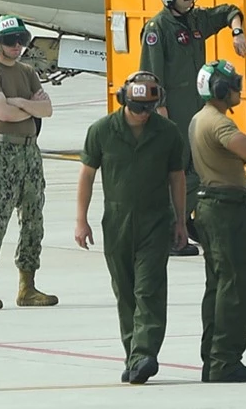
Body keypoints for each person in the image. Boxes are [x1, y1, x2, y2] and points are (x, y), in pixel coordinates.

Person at [75, 73, 187, 385]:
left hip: (155, 220)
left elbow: (176, 177)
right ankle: (133, 355)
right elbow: (87, 175)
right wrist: (80, 219)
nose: (143, 114)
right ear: (125, 100)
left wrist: (180, 220)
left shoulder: (167, 133)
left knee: (148, 290)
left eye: (148, 108)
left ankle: (145, 353)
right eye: (137, 107)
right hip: (116, 222)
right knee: (125, 292)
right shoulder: (101, 131)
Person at [139, 0, 246, 256]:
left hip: (196, 112)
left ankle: (184, 224)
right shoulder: (157, 30)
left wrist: (237, 32)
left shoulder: (196, 20)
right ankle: (173, 232)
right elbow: (151, 76)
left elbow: (229, 10)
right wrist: (160, 115)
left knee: (197, 170)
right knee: (183, 173)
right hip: (173, 115)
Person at [0, 15, 57, 311]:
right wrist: (27, 108)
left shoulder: (27, 72)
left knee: (33, 218)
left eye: (21, 40)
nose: (16, 46)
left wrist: (20, 104)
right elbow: (2, 114)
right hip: (3, 152)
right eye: (9, 41)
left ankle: (27, 286)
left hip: (30, 152)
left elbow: (47, 109)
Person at [189, 60, 246, 384]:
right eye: (232, 83)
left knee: (218, 286)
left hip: (212, 206)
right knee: (237, 287)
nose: (237, 87)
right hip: (226, 209)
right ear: (220, 90)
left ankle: (214, 358)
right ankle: (225, 361)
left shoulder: (199, 119)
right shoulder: (218, 123)